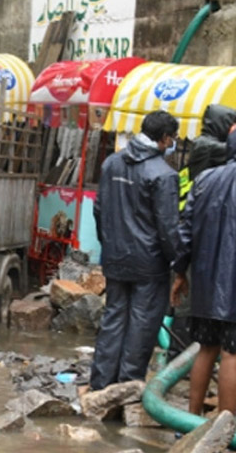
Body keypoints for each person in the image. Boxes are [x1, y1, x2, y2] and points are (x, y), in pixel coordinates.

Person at [89, 110, 181, 391]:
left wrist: (109, 245)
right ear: (165, 138)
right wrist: (178, 263)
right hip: (149, 263)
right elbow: (168, 227)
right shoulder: (164, 175)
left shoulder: (111, 164)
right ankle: (128, 387)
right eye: (173, 139)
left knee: (114, 318)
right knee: (142, 323)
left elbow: (99, 210)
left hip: (116, 258)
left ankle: (101, 385)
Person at [172, 131, 236, 415]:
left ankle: (190, 421)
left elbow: (184, 231)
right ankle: (228, 435)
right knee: (232, 354)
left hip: (207, 281)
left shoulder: (205, 179)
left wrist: (179, 272)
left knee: (206, 347)